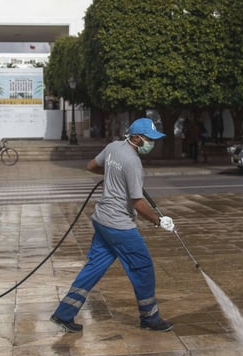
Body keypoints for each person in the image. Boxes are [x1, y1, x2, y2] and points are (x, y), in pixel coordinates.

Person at [50, 117, 175, 334]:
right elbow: (137, 202)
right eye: (148, 139)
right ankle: (150, 317)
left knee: (94, 267)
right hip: (119, 225)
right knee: (142, 267)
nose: (151, 143)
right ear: (136, 138)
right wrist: (158, 220)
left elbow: (91, 166)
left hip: (101, 220)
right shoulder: (133, 162)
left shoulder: (113, 147)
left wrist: (111, 174)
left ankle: (64, 313)